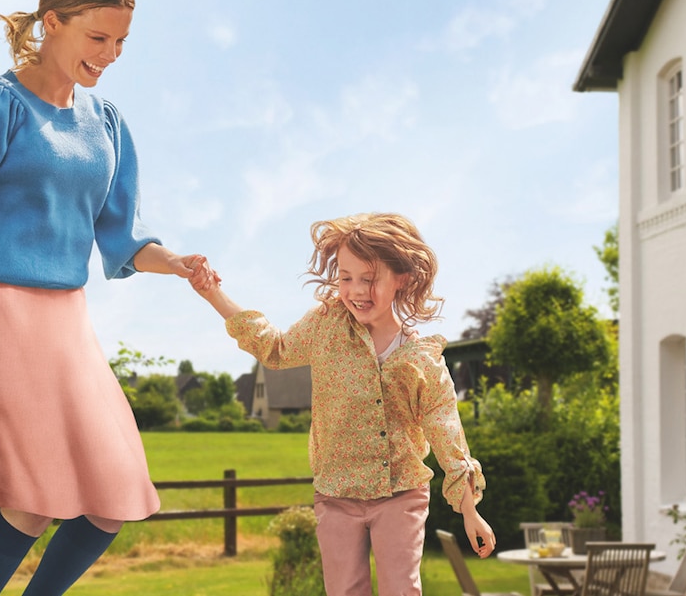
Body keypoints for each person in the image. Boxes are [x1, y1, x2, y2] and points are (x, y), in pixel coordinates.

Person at [0, 0, 205, 594]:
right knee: (33, 495)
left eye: (121, 42)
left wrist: (174, 263)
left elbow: (123, 235)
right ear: (52, 24)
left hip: (65, 314)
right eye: (98, 38)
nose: (111, 55)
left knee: (114, 492)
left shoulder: (108, 124)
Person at [187, 212, 495, 596]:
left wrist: (470, 510)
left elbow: (446, 431)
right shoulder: (327, 324)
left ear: (403, 277)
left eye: (369, 279)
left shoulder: (421, 359)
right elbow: (275, 348)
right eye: (346, 278)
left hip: (401, 493)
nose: (356, 290)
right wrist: (212, 293)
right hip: (336, 494)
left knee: (401, 590)